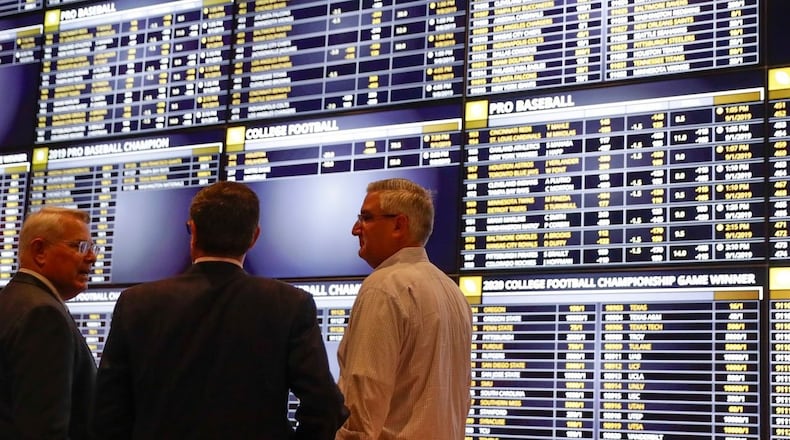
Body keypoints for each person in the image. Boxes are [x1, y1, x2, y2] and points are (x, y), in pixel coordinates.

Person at [93, 181, 347, 439]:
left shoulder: (136, 302)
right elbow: (325, 405)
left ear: (193, 231)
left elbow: (108, 411)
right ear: (254, 237)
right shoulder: (290, 304)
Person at [336, 178, 472, 439]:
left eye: (366, 218)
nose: (355, 229)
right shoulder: (453, 292)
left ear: (399, 225)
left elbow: (364, 405)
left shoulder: (384, 287)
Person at [0, 206, 99, 439]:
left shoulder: (12, 301)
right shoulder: (43, 315)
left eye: (92, 248)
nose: (92, 257)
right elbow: (44, 429)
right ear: (39, 251)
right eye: (79, 246)